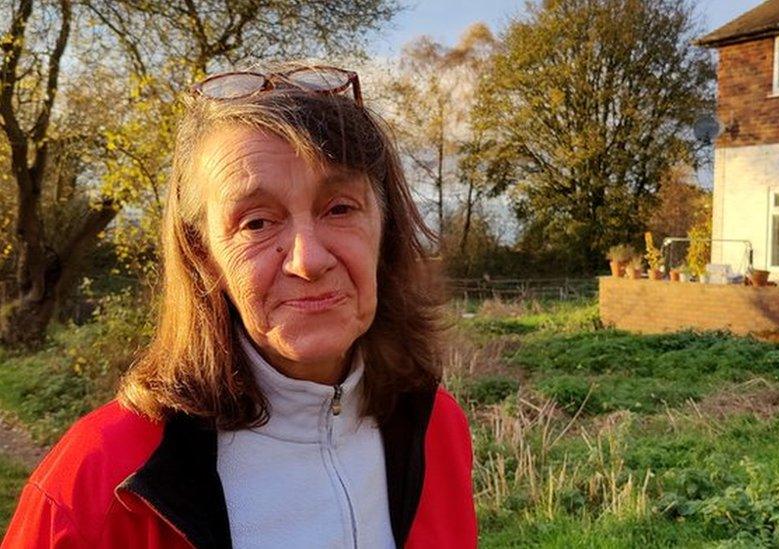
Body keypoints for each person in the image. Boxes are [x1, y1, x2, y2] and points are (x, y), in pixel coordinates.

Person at [2, 62, 477, 548]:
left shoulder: (437, 426)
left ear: (386, 229)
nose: (308, 260)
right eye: (256, 223)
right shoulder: (100, 483)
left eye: (339, 208)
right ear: (204, 255)